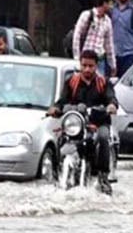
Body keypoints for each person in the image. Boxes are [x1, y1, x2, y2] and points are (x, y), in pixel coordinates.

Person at [47, 50, 119, 195]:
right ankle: (55, 175)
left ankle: (103, 177)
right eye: (84, 65)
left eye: (90, 66)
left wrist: (111, 106)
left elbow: (112, 99)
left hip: (98, 123)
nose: (87, 69)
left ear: (96, 66)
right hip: (76, 125)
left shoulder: (103, 83)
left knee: (103, 138)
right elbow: (62, 101)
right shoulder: (71, 82)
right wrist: (55, 108)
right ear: (80, 64)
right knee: (59, 139)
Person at [72, 0, 117, 77]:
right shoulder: (87, 15)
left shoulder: (107, 21)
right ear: (104, 3)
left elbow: (109, 45)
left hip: (99, 60)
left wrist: (113, 65)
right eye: (110, 4)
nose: (111, 7)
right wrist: (76, 58)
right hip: (85, 58)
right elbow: (77, 37)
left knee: (99, 85)